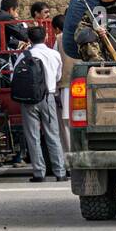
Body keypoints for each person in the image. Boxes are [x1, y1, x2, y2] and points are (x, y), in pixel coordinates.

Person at [15, 25, 67, 182]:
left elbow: (15, 78)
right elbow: (58, 77)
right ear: (45, 37)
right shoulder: (54, 54)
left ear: (29, 39)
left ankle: (39, 173)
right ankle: (60, 172)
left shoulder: (23, 55)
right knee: (53, 135)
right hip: (48, 97)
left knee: (33, 136)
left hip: (29, 100)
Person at [51, 14, 75, 155]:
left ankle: (69, 155)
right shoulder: (83, 35)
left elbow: (56, 65)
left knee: (66, 123)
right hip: (85, 83)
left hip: (66, 85)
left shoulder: (60, 39)